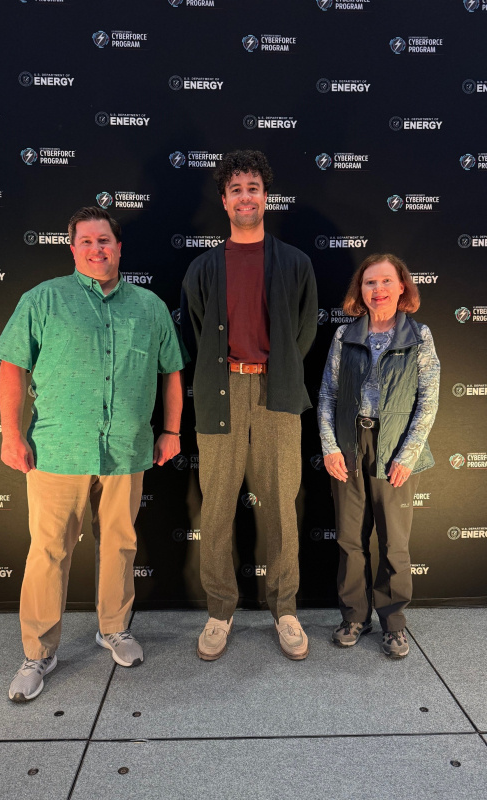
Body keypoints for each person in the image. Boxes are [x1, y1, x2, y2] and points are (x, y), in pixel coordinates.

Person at [0, 206, 187, 702]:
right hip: (57, 451)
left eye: (105, 241)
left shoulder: (149, 307)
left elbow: (171, 373)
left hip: (125, 451)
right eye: (86, 241)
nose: (97, 249)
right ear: (72, 247)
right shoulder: (43, 300)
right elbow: (13, 367)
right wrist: (11, 435)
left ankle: (113, 629)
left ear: (119, 248)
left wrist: (171, 430)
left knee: (120, 545)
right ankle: (38, 652)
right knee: (49, 552)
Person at [181, 150, 318, 661]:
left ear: (266, 197)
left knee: (282, 505)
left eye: (253, 187)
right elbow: (196, 331)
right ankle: (220, 611)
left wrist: (274, 367)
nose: (245, 196)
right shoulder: (202, 267)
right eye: (236, 188)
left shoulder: (296, 263)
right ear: (224, 200)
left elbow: (302, 331)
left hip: (278, 394)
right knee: (215, 508)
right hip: (222, 393)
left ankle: (285, 608)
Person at [318, 253, 439, 658]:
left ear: (402, 286)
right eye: (370, 283)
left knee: (394, 542)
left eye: (386, 281)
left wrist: (408, 454)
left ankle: (394, 623)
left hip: (396, 447)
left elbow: (428, 402)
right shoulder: (344, 336)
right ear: (361, 290)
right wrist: (330, 446)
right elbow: (328, 395)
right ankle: (354, 616)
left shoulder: (419, 336)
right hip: (351, 445)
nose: (378, 290)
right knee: (351, 539)